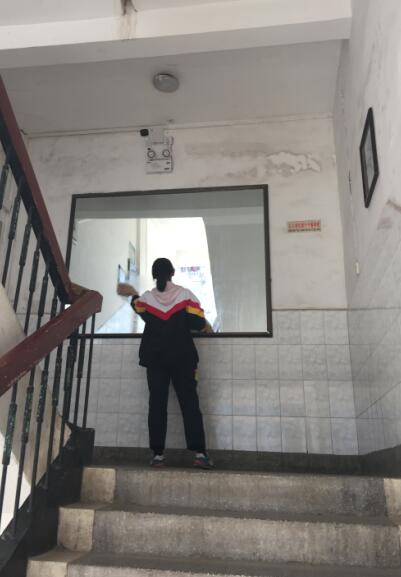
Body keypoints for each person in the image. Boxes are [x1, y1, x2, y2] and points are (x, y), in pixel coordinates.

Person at [117, 257, 213, 469]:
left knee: (157, 406)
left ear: (154, 275)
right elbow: (198, 322)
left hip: (155, 360)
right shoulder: (185, 295)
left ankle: (158, 456)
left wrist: (132, 293)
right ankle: (200, 454)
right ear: (172, 273)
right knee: (190, 404)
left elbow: (137, 306)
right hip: (183, 359)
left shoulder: (147, 299)